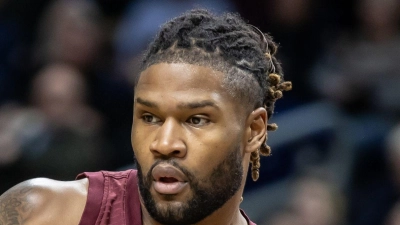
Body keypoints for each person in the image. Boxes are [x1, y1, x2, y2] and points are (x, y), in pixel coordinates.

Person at [0, 9, 291, 225]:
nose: (164, 144)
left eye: (196, 120)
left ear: (253, 131)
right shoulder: (41, 211)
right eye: (149, 117)